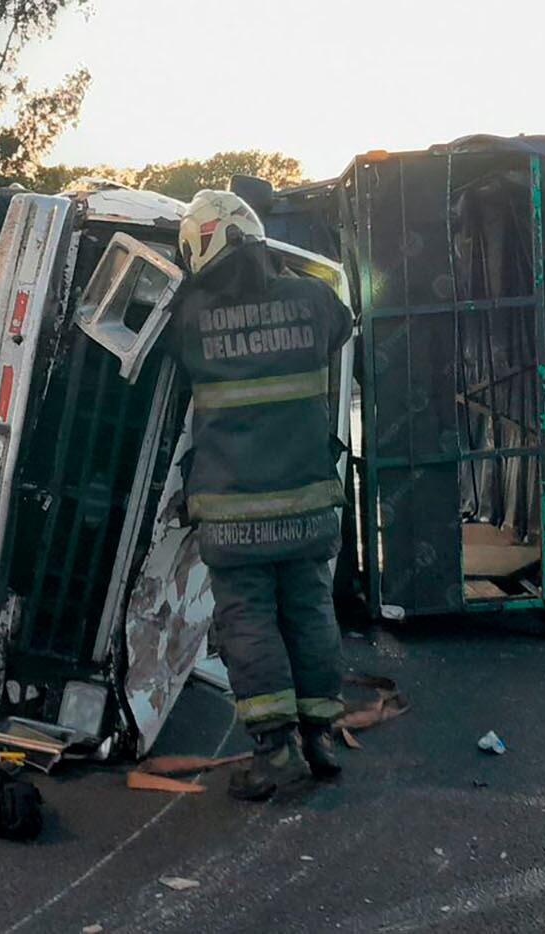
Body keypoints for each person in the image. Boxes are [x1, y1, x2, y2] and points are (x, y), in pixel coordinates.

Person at [167, 190, 354, 801]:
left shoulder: (191, 314)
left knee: (248, 622)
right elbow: (340, 326)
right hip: (307, 504)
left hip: (232, 512)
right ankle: (321, 736)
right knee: (309, 612)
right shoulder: (314, 299)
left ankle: (275, 751)